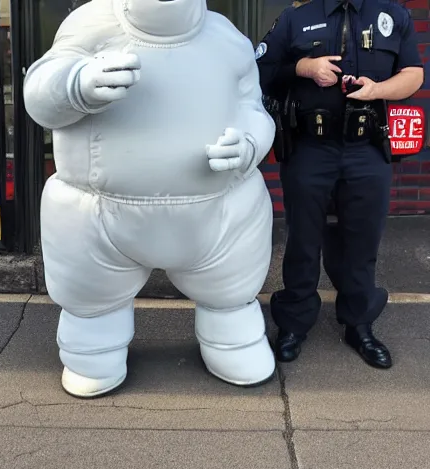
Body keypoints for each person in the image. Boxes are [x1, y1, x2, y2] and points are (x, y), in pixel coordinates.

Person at [23, 0, 276, 398]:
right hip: (98, 211)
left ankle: (234, 341)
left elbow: (253, 109)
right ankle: (93, 353)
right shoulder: (90, 23)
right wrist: (76, 84)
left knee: (230, 295)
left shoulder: (226, 38)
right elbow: (39, 95)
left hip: (216, 212)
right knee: (93, 305)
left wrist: (248, 145)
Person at [256, 0, 424, 368]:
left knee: (362, 240)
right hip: (310, 149)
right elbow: (263, 69)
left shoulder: (392, 16)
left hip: (366, 149)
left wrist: (377, 90)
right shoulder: (296, 17)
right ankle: (294, 323)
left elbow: (413, 74)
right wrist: (305, 67)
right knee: (303, 238)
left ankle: (359, 324)